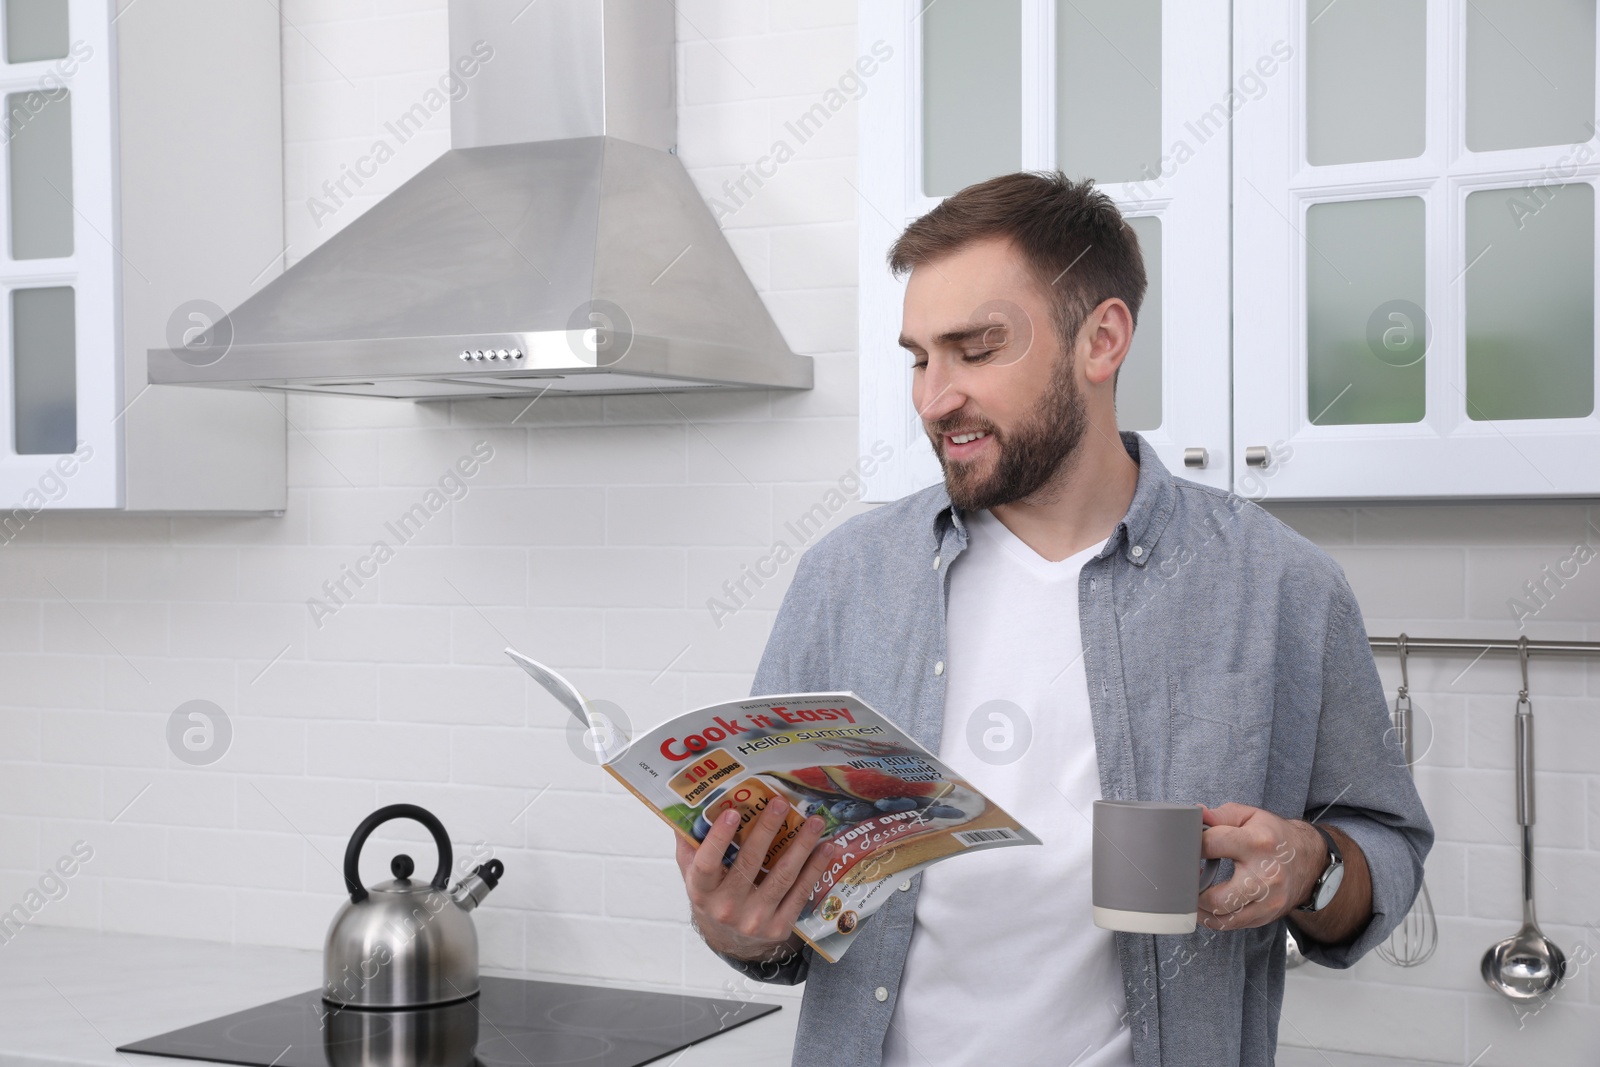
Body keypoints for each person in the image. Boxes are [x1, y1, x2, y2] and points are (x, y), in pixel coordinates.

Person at [674, 172, 1433, 1067]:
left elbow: (1386, 847)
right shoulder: (845, 579)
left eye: (976, 348)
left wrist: (1314, 866)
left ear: (1100, 340)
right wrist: (739, 927)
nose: (933, 398)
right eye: (921, 357)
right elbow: (784, 914)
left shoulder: (1277, 584)